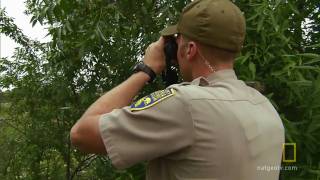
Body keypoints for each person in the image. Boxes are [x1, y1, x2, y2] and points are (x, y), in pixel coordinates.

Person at [70, 0, 285, 179]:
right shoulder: (264, 107)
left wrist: (146, 70)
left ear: (189, 49)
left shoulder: (185, 104)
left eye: (178, 40)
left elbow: (82, 134)